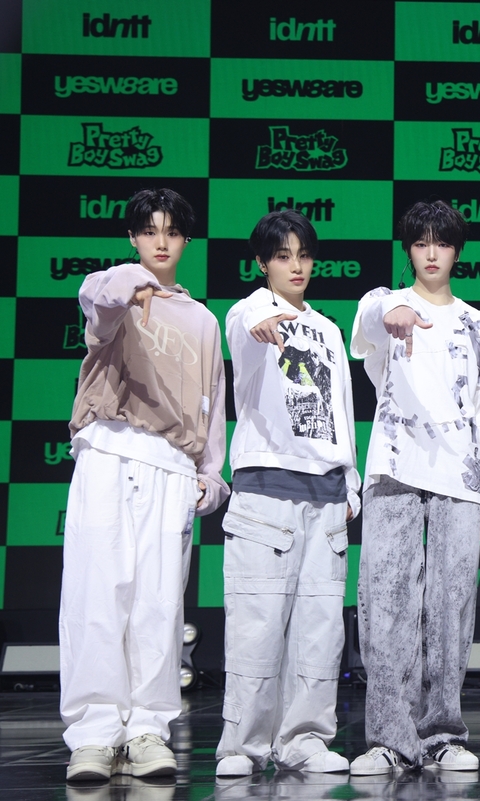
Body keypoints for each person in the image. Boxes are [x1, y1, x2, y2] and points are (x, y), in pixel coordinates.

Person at [59, 188, 229, 781]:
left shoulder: (204, 319)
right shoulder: (113, 291)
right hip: (108, 450)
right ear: (132, 237)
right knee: (96, 597)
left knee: (159, 607)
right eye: (149, 230)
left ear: (186, 240)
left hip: (172, 467)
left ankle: (148, 730)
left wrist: (212, 474)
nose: (161, 241)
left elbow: (212, 404)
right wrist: (131, 283)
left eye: (172, 231)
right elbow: (96, 299)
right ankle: (93, 735)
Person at [348, 200, 480, 775]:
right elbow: (368, 323)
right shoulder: (385, 304)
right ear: (408, 250)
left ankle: (443, 734)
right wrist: (392, 312)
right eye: (420, 242)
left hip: (461, 477)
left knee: (451, 607)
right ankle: (389, 738)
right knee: (386, 603)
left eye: (442, 242)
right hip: (394, 470)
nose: (431, 253)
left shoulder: (477, 323)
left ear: (457, 251)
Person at [215, 210, 360, 777]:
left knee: (320, 631)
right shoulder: (246, 314)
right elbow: (249, 319)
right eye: (282, 256)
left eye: (303, 255)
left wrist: (350, 481)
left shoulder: (329, 330)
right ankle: (243, 746)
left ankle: (304, 740)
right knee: (255, 624)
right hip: (266, 492)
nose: (296, 266)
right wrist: (262, 316)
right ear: (262, 264)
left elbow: (341, 408)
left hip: (326, 493)